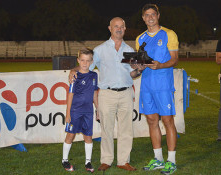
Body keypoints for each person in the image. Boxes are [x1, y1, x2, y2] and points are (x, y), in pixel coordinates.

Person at [69, 17, 142, 171]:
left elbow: (133, 74)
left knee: (126, 129)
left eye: (122, 26)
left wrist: (140, 69)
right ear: (110, 28)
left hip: (126, 93)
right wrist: (72, 71)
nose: (119, 29)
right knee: (106, 129)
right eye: (116, 26)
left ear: (125, 29)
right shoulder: (100, 50)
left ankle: (123, 161)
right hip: (107, 94)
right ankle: (106, 160)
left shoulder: (129, 50)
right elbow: (86, 66)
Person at [135, 4, 179, 175]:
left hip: (163, 86)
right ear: (143, 18)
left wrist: (160, 65)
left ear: (158, 15)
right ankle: (158, 159)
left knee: (168, 121)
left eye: (153, 14)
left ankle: (172, 161)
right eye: (147, 15)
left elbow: (175, 59)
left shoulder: (169, 34)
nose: (150, 17)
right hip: (146, 86)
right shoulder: (140, 38)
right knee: (152, 121)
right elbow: (141, 62)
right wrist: (138, 66)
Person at [62, 48, 99, 173]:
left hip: (88, 111)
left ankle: (88, 162)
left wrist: (97, 109)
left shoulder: (94, 75)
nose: (85, 63)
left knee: (88, 136)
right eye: (82, 60)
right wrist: (68, 114)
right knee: (70, 135)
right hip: (75, 111)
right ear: (78, 60)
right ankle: (64, 160)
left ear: (91, 62)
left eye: (88, 61)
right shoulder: (75, 76)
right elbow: (70, 95)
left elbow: (94, 94)